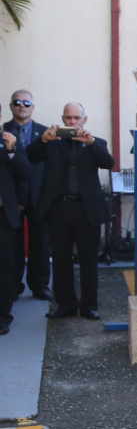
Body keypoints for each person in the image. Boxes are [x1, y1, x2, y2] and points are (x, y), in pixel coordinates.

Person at [27, 102, 115, 321]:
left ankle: (89, 305)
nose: (73, 122)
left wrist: (92, 143)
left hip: (87, 210)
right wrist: (43, 139)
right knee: (60, 259)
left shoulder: (96, 142)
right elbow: (30, 156)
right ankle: (65, 304)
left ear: (84, 120)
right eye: (68, 118)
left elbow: (108, 163)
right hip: (58, 208)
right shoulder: (52, 143)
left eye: (77, 118)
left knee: (88, 260)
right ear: (63, 119)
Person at [4, 89, 52, 302]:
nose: (21, 105)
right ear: (11, 106)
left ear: (32, 107)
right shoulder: (3, 131)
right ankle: (12, 286)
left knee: (40, 243)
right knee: (11, 245)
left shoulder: (45, 134)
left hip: (38, 196)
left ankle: (39, 285)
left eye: (26, 102)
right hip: (11, 200)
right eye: (17, 102)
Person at [0, 108, 30, 335]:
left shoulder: (9, 141)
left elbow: (25, 174)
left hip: (4, 215)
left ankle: (3, 316)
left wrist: (12, 151)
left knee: (6, 267)